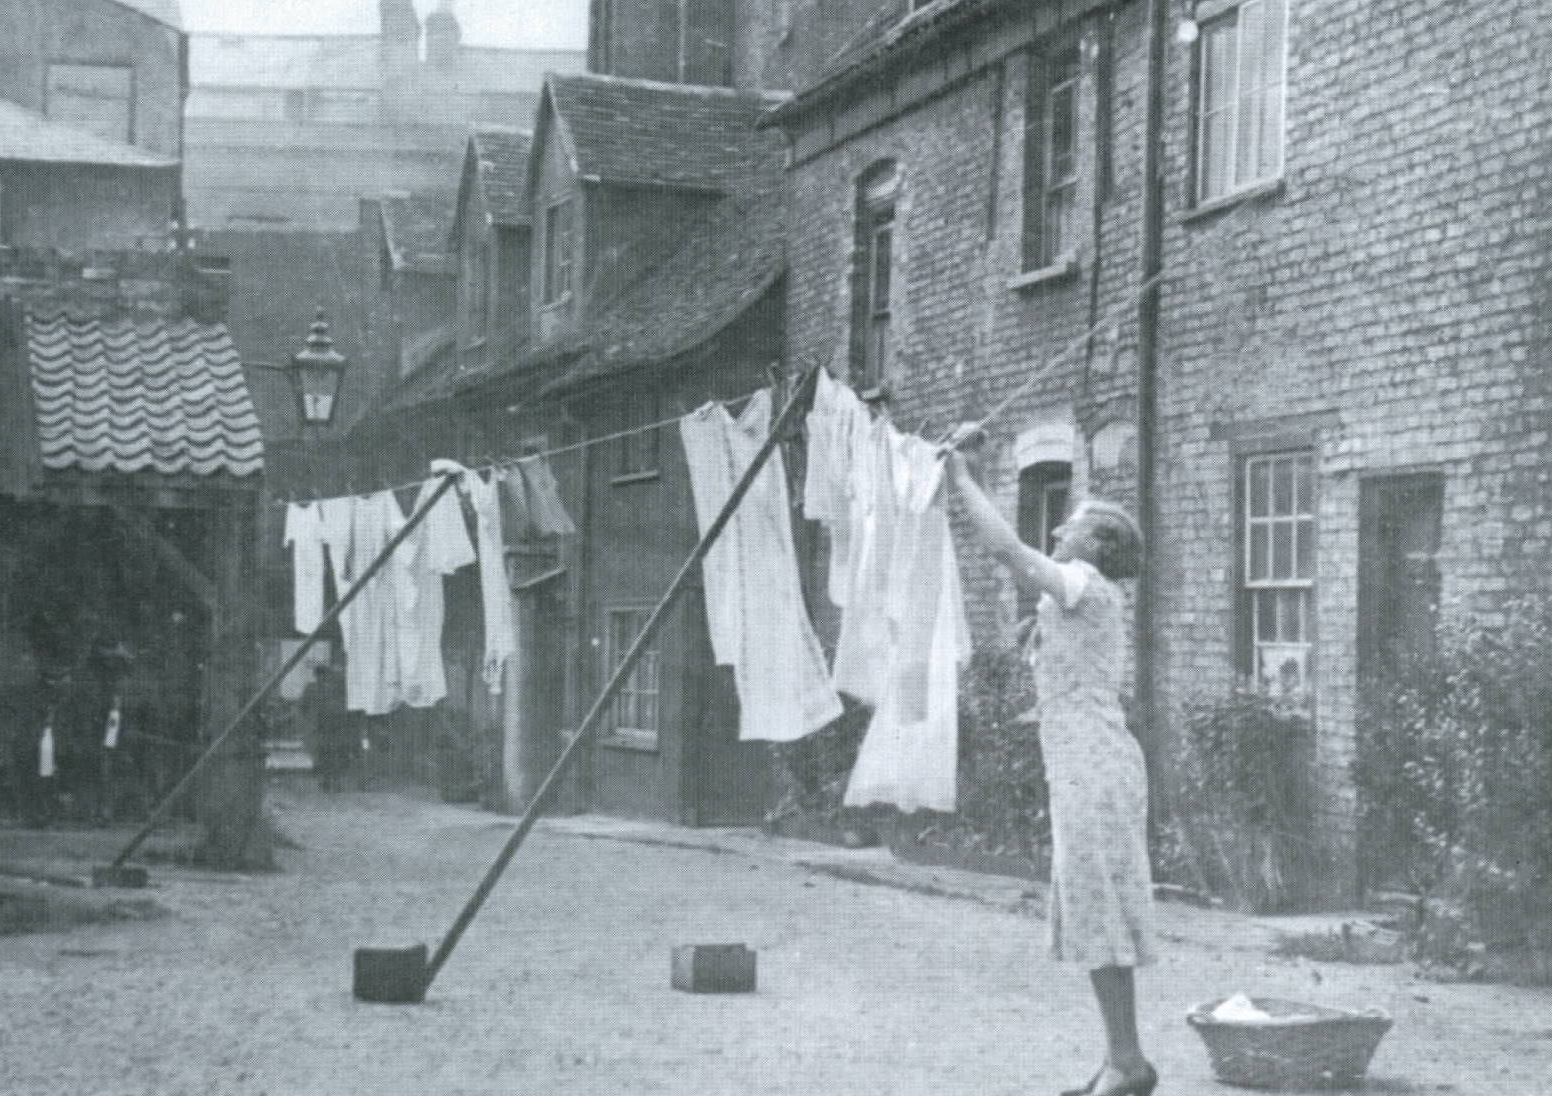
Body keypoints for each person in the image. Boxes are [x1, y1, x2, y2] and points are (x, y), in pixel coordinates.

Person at [942, 427, 1157, 1096]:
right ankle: (1122, 1058)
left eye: (1075, 524)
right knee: (1094, 909)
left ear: (1097, 547)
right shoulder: (1079, 595)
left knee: (1100, 909)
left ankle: (1127, 1060)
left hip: (1093, 766)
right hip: (1082, 763)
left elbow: (1007, 549)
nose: (1062, 526)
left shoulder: (1085, 584)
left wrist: (961, 480)